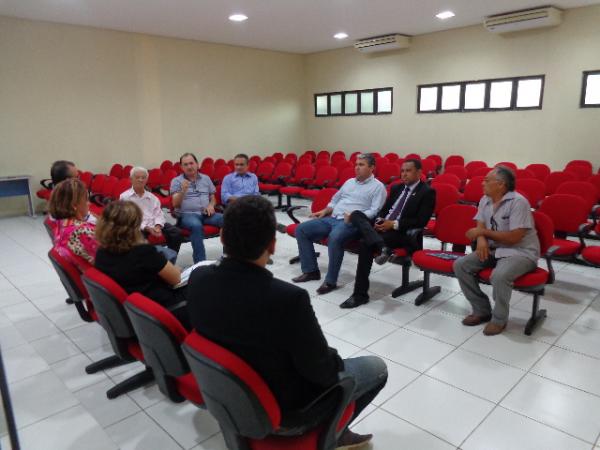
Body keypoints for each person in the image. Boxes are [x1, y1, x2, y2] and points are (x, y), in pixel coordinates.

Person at [187, 196, 387, 449]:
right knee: (375, 367)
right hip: (286, 412)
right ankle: (332, 435)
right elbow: (322, 372)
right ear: (273, 244)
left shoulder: (198, 277)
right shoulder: (287, 299)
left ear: (223, 237)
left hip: (230, 395)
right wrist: (334, 358)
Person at [454, 166, 540, 336]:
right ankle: (481, 310)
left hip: (521, 252)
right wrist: (481, 240)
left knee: (499, 276)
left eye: (487, 180)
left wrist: (483, 233)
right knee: (461, 265)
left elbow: (514, 237)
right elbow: (480, 224)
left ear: (501, 184)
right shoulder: (485, 199)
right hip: (495, 249)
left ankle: (499, 319)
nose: (482, 183)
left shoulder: (518, 202)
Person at [342, 159, 436, 308]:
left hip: (402, 233)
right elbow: (384, 210)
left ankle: (359, 295)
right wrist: (380, 221)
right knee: (356, 214)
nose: (404, 174)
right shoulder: (397, 188)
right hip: (383, 228)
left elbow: (421, 221)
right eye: (402, 171)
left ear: (419, 172)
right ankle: (382, 246)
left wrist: (392, 224)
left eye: (408, 171)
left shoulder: (427, 192)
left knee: (365, 243)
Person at [292, 154, 387, 295]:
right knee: (301, 229)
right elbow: (335, 199)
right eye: (356, 164)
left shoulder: (378, 187)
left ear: (372, 167)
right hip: (333, 218)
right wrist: (326, 210)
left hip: (351, 223)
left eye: (361, 165)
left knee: (335, 237)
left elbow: (374, 211)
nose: (357, 167)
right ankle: (311, 271)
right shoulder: (349, 182)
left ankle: (330, 281)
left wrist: (355, 216)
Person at [94, 200, 189, 327]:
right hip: (159, 310)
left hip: (133, 310)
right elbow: (176, 279)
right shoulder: (142, 252)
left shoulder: (101, 253)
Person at [170, 153, 223, 263]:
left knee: (228, 219)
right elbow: (175, 204)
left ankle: (229, 255)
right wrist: (183, 191)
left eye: (191, 163)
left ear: (197, 164)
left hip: (206, 213)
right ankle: (200, 263)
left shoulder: (206, 178)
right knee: (196, 225)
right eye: (185, 164)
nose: (189, 167)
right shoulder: (176, 181)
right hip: (187, 215)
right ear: (181, 167)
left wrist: (211, 205)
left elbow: (213, 198)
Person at [120, 166, 183, 254]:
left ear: (147, 180)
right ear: (131, 179)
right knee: (139, 240)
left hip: (154, 223)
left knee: (176, 233)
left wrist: (158, 226)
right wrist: (147, 228)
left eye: (143, 177)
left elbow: (158, 214)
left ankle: (170, 257)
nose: (140, 180)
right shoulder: (125, 197)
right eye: (137, 177)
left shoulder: (152, 197)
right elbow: (129, 219)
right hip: (137, 226)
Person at [48, 178, 98, 270]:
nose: (89, 203)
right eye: (86, 200)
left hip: (87, 277)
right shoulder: (83, 231)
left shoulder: (61, 224)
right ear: (74, 205)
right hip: (97, 277)